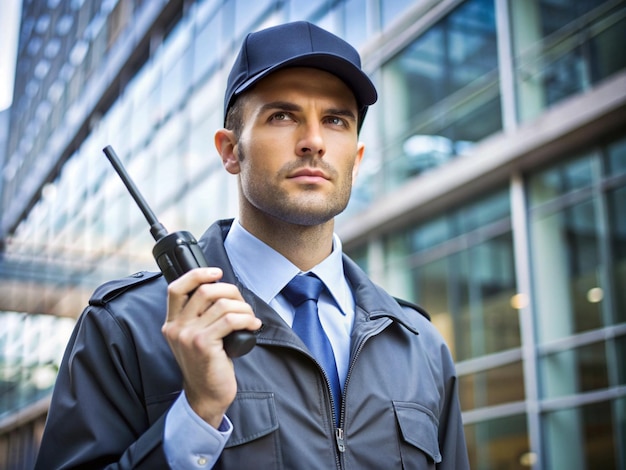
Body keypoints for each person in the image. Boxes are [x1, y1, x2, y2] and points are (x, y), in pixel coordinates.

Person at [35, 21, 469, 469]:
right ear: (229, 151)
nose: (314, 142)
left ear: (356, 160)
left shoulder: (420, 346)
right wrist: (197, 416)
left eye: (336, 120)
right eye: (282, 116)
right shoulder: (125, 327)